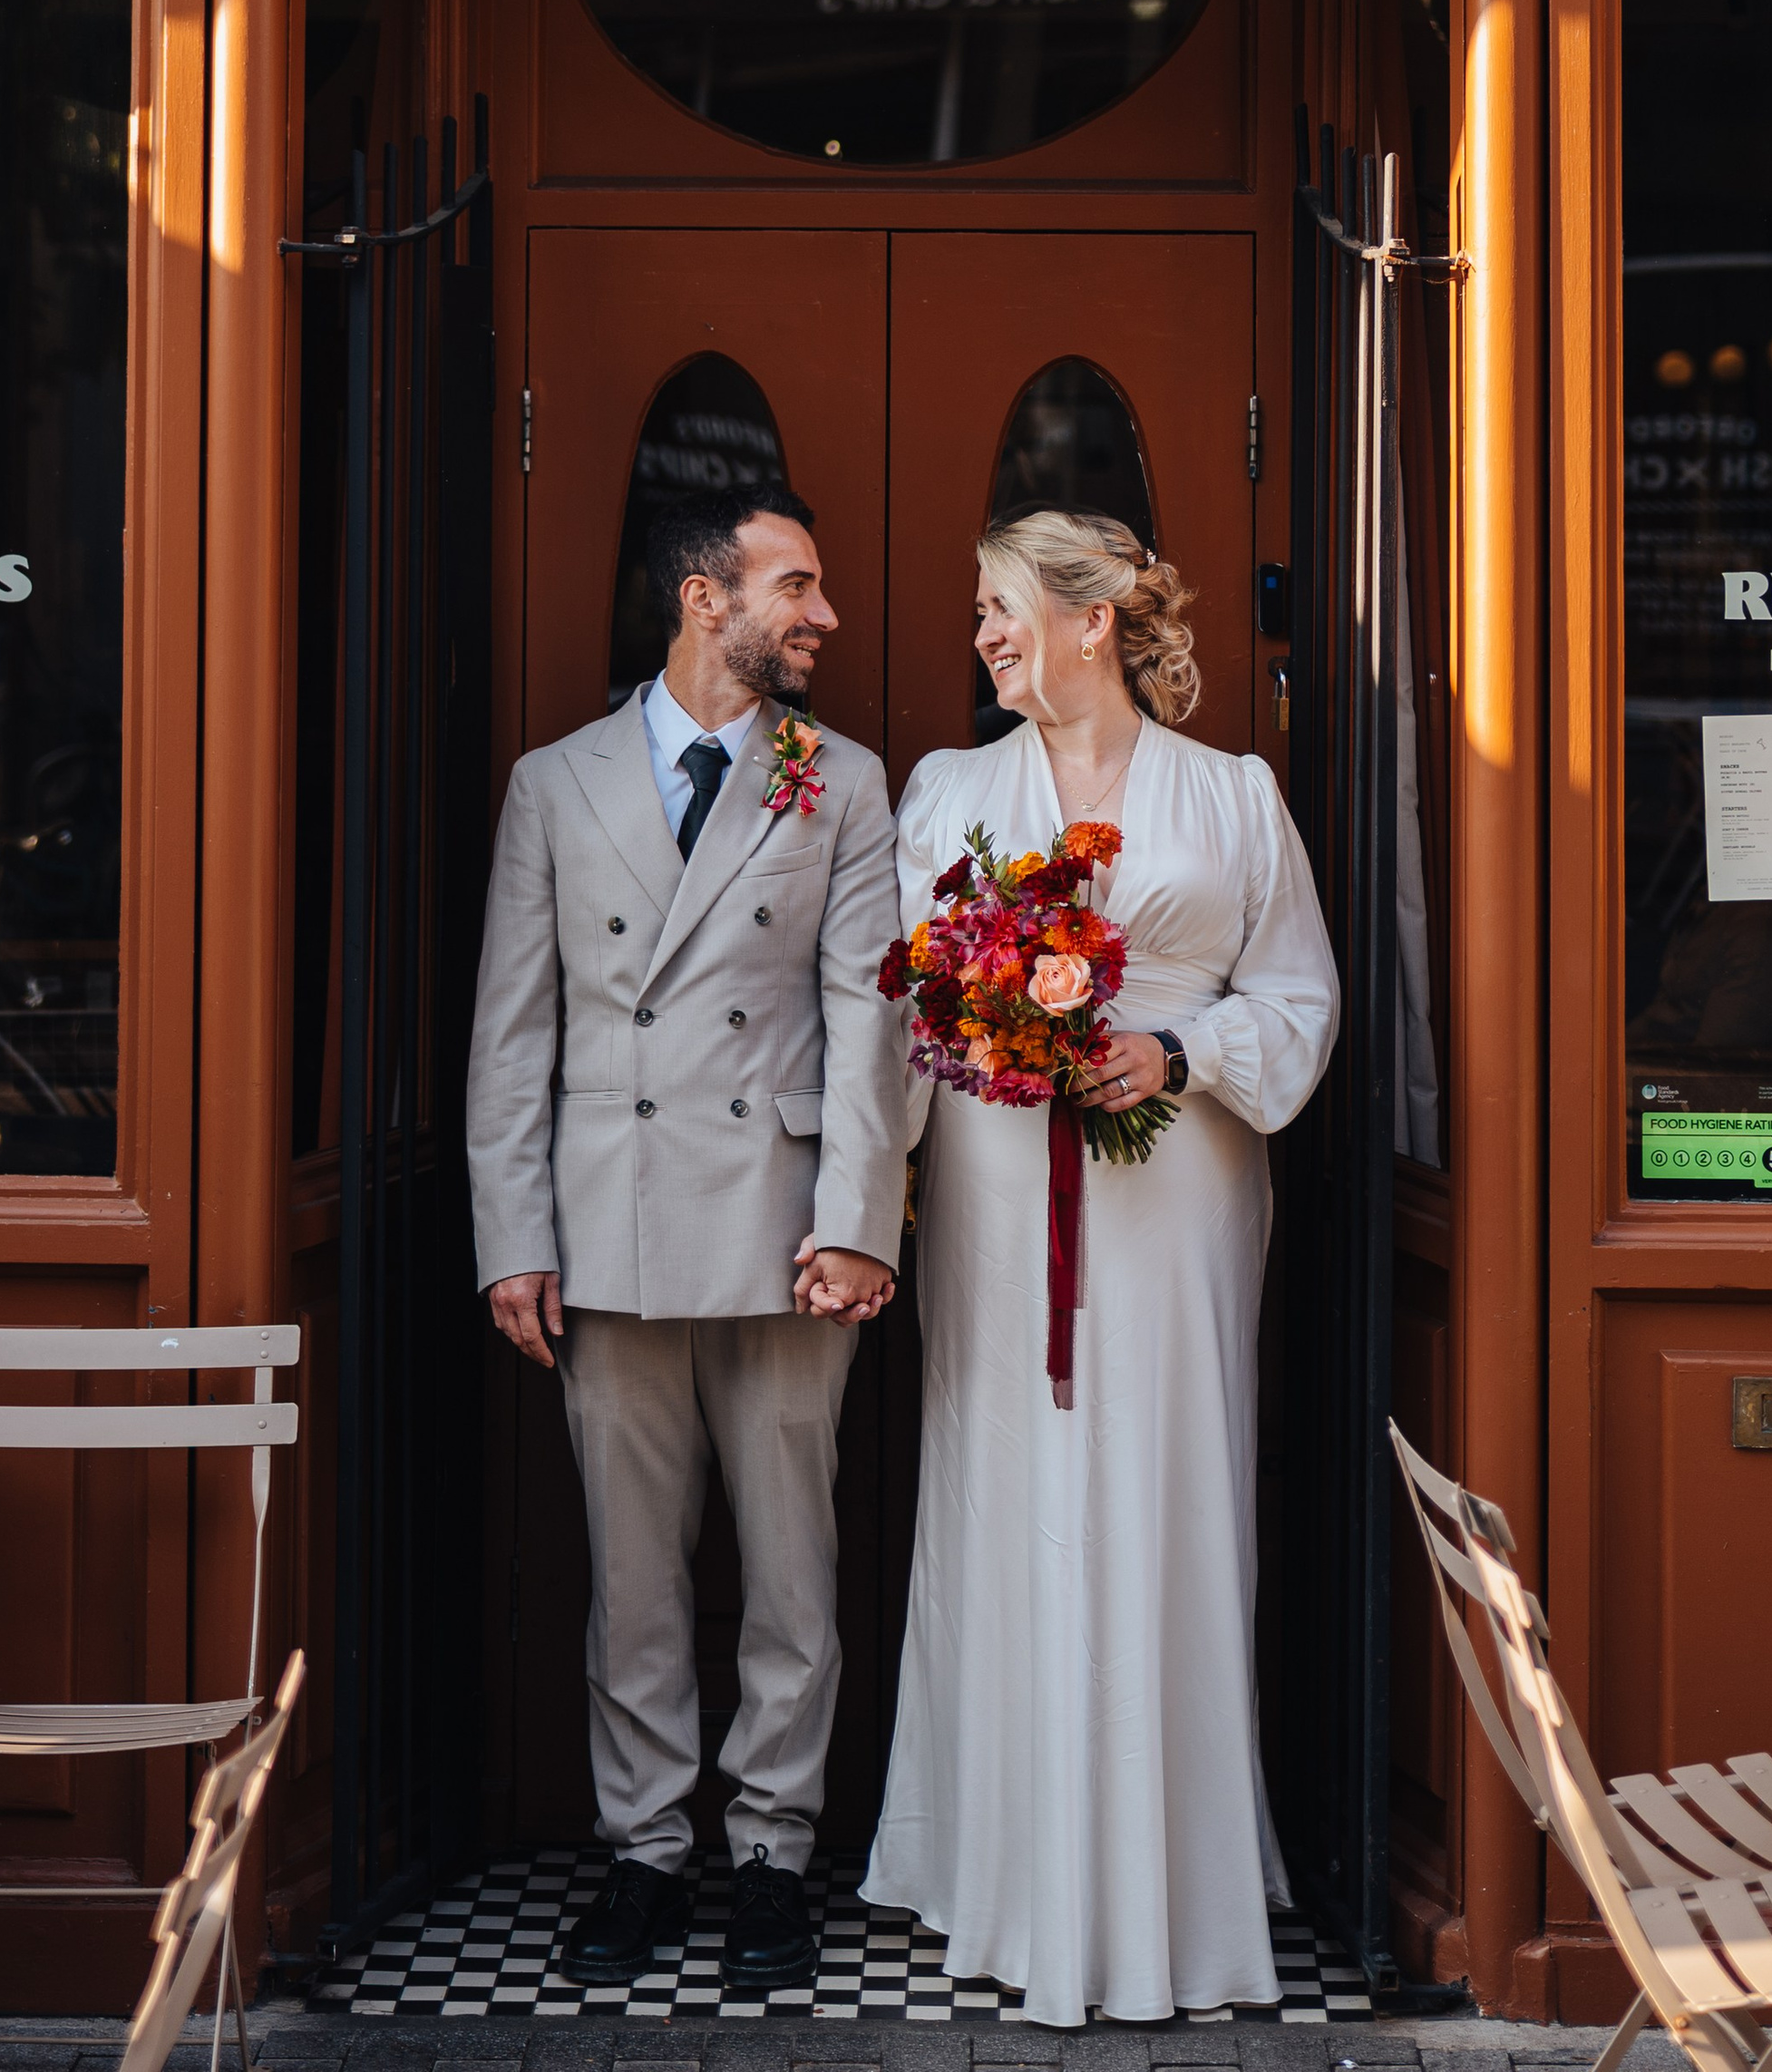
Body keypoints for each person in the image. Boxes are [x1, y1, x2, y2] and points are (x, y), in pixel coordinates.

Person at [853, 506, 1339, 2028]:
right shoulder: (946, 794)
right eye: (981, 609)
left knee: (1165, 1489)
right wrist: (874, 1199)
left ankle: (1170, 1885)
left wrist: (1181, 1047)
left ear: (1093, 618)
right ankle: (1007, 1874)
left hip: (1178, 1194)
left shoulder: (1233, 797)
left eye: (1002, 605)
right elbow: (892, 1025)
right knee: (1004, 1494)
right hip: (999, 1201)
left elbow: (1306, 998)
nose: (984, 634)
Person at [467, 482, 907, 1993]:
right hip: (610, 1227)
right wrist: (512, 1236)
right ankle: (646, 1848)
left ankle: (774, 1852)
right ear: (704, 598)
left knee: (793, 1566)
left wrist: (860, 1222)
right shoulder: (556, 782)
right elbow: (510, 1032)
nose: (825, 615)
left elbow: (871, 1018)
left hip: (784, 1228)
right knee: (631, 1572)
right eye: (798, 583)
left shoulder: (842, 778)